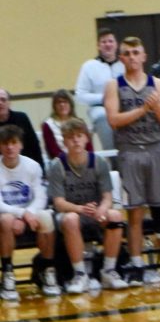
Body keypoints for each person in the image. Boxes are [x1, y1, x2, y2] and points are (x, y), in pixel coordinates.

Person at [104, 36, 160, 285]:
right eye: (127, 53)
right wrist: (143, 109)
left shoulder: (158, 84)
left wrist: (156, 108)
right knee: (134, 212)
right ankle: (136, 263)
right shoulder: (114, 85)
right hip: (130, 150)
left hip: (154, 149)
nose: (131, 57)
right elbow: (113, 120)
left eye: (135, 52)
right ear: (121, 58)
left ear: (144, 57)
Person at [47, 117, 128, 294]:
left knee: (115, 215)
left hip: (94, 212)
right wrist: (79, 208)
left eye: (79, 135)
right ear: (64, 141)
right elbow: (59, 203)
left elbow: (107, 197)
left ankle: (108, 271)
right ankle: (80, 274)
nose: (76, 140)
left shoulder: (98, 162)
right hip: (71, 213)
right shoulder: (57, 166)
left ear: (86, 138)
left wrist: (102, 208)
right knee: (70, 219)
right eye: (71, 137)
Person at [0, 124, 59, 301]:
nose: (10, 147)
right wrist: (21, 214)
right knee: (6, 220)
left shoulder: (32, 166)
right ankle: (8, 275)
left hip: (29, 214)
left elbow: (41, 197)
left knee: (47, 217)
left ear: (21, 145)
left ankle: (47, 271)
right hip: (8, 216)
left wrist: (27, 215)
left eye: (13, 142)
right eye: (5, 143)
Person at [75, 28, 124, 152]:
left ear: (116, 44)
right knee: (103, 117)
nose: (108, 44)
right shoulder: (89, 66)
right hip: (100, 109)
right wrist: (105, 97)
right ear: (98, 45)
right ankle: (112, 158)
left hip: (124, 107)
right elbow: (80, 95)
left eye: (110, 41)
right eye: (104, 42)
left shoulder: (125, 64)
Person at [42, 89, 94, 160]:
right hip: (61, 162)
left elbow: (89, 147)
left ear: (71, 104)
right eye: (59, 102)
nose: (62, 105)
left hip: (83, 160)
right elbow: (52, 150)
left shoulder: (80, 122)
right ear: (54, 106)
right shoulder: (48, 125)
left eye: (65, 102)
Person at [0, 89, 44, 169]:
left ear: (9, 103)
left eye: (3, 99)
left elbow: (34, 145)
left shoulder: (22, 118)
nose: (0, 103)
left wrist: (41, 168)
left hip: (26, 167)